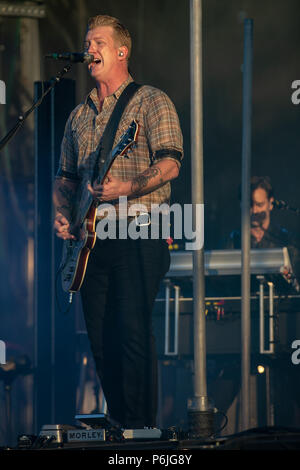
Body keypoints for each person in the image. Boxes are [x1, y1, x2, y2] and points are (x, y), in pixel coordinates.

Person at [52, 15, 183, 429]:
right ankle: (121, 422)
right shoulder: (78, 116)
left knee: (130, 332)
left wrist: (124, 188)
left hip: (138, 231)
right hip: (91, 242)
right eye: (87, 41)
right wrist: (61, 213)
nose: (89, 48)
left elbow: (169, 164)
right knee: (100, 339)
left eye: (99, 42)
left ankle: (142, 428)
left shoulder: (150, 101)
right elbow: (65, 179)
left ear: (122, 51)